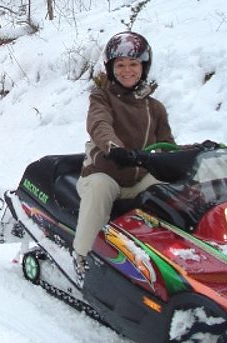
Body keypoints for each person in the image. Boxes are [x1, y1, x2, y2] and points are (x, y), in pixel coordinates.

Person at [73, 31, 175, 282]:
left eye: (133, 64)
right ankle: (82, 256)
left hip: (139, 178)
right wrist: (113, 147)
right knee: (99, 188)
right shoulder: (101, 98)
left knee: (171, 192)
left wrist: (193, 152)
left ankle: (168, 259)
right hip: (105, 172)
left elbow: (167, 145)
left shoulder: (155, 108)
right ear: (111, 68)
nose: (126, 70)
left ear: (144, 67)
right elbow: (99, 124)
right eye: (120, 65)